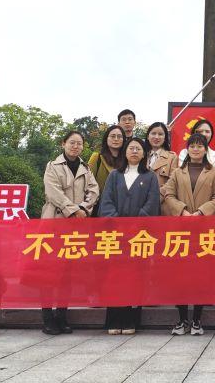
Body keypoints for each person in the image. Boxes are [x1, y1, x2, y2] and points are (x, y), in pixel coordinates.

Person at [162, 133, 215, 335]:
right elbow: (167, 193)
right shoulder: (177, 173)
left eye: (200, 146)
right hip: (181, 229)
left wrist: (201, 212)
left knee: (201, 275)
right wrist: (182, 210)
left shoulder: (213, 172)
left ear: (206, 149)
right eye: (192, 146)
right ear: (187, 149)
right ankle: (182, 320)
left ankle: (197, 320)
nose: (196, 149)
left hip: (204, 229)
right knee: (179, 276)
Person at [41, 130, 100, 334]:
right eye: (72, 143)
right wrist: (72, 210)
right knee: (49, 272)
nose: (75, 146)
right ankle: (47, 317)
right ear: (63, 144)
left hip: (77, 224)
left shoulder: (85, 168)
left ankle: (62, 315)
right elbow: (52, 192)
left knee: (68, 272)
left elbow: (94, 191)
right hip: (55, 221)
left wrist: (83, 208)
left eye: (79, 143)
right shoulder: (53, 166)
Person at [99, 138, 160, 334]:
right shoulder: (115, 176)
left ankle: (131, 320)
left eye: (138, 149)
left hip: (138, 236)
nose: (134, 151)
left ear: (144, 154)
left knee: (136, 276)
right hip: (115, 235)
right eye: (131, 148)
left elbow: (152, 204)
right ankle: (114, 320)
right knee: (114, 277)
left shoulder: (149, 177)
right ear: (125, 152)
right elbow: (106, 201)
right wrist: (117, 223)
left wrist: (135, 226)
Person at [87, 125, 126, 202]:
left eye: (119, 136)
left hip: (123, 205)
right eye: (112, 136)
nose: (116, 139)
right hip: (99, 205)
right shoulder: (97, 158)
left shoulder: (127, 160)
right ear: (106, 139)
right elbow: (87, 183)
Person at [145, 122, 178, 189]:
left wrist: (157, 196)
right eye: (153, 133)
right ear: (148, 136)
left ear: (165, 137)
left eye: (160, 134)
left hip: (161, 198)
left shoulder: (172, 157)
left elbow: (172, 182)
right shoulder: (142, 155)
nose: (156, 137)